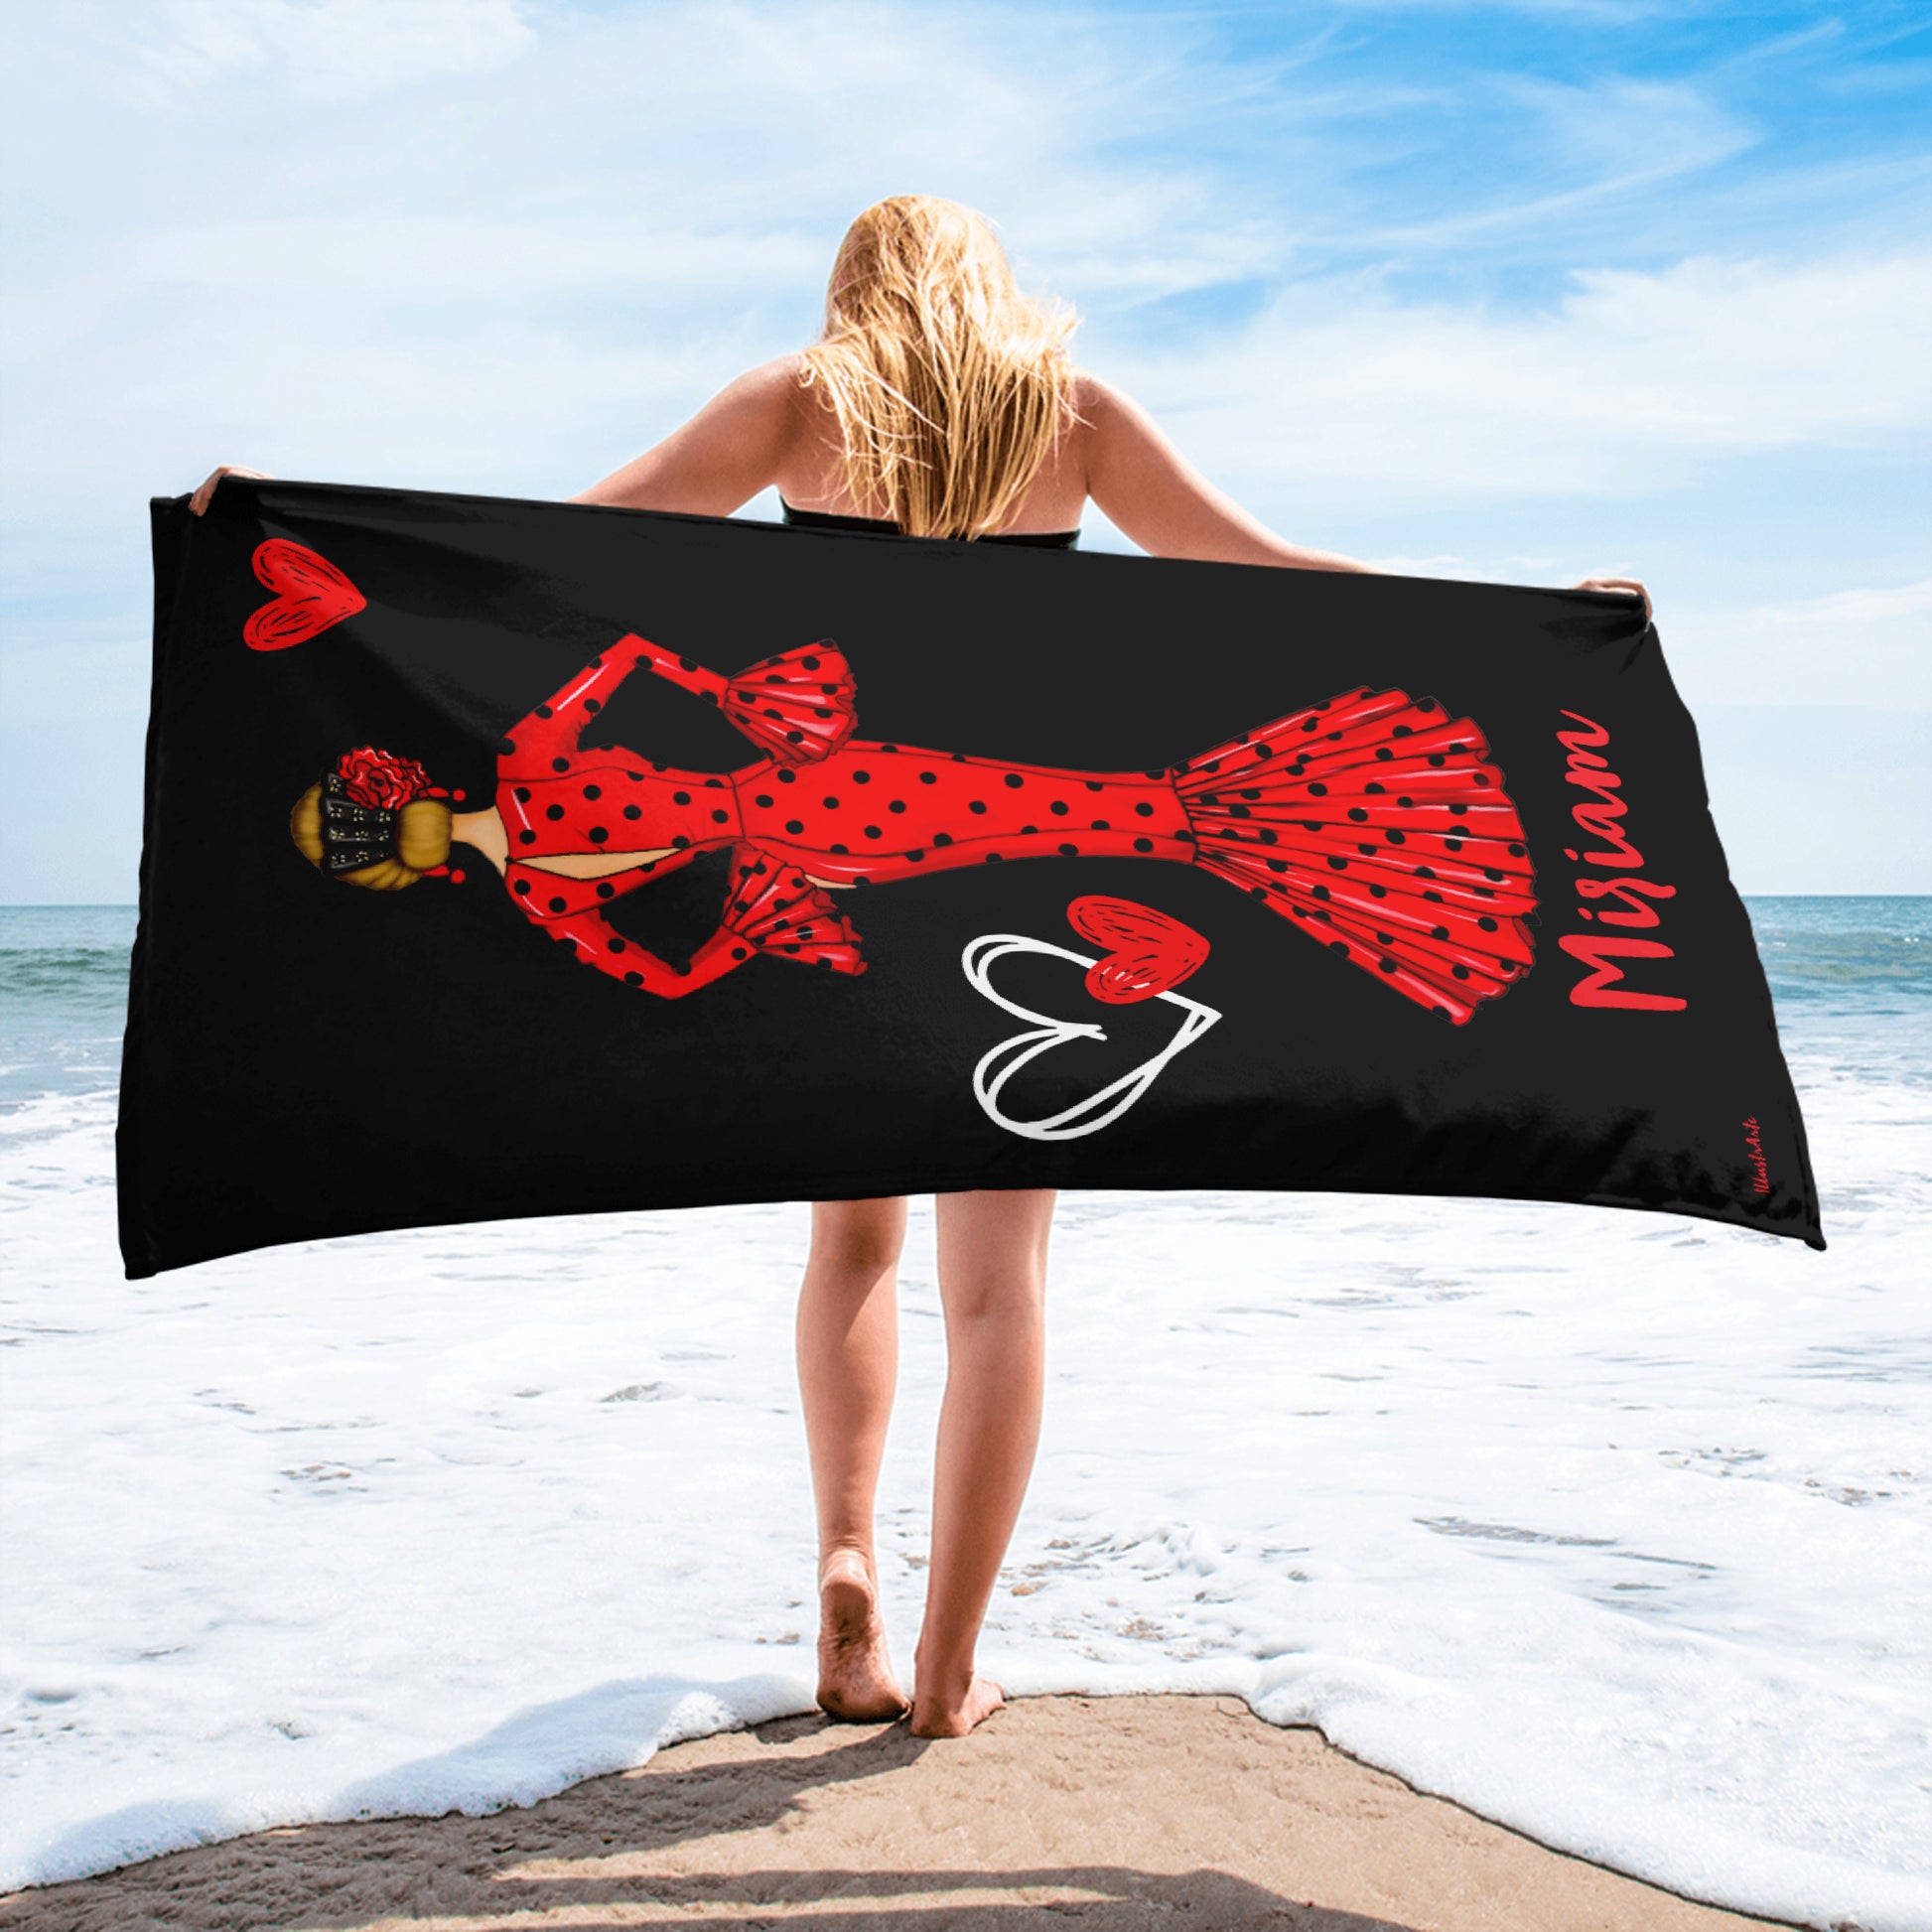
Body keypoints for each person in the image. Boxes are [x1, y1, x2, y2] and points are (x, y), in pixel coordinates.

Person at [193, 193, 1647, 1740]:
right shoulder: (1069, 413)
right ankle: (949, 1673)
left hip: (812, 889)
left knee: (853, 1251)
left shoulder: (796, 403)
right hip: (978, 842)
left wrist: (303, 529)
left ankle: (842, 1569)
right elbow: (1271, 570)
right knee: (1001, 1290)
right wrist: (1530, 625)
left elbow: (552, 550)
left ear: (852, 290)